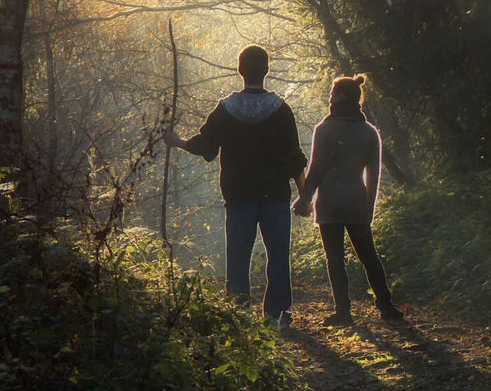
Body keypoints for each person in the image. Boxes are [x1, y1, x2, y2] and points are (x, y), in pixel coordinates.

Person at [164, 45, 307, 330]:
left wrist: (177, 141)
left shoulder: (225, 109)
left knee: (238, 257)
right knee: (278, 254)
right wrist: (305, 195)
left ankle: (239, 316)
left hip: (238, 195)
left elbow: (205, 146)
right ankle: (277, 315)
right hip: (275, 194)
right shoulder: (281, 110)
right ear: (267, 70)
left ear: (239, 70)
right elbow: (295, 157)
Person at [292, 73, 404, 325]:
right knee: (369, 257)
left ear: (341, 96)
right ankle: (386, 307)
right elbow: (373, 176)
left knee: (335, 259)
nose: (330, 98)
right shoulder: (370, 132)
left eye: (332, 94)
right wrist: (369, 209)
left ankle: (343, 312)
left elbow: (317, 168)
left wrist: (304, 199)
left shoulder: (324, 129)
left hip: (330, 202)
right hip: (356, 202)